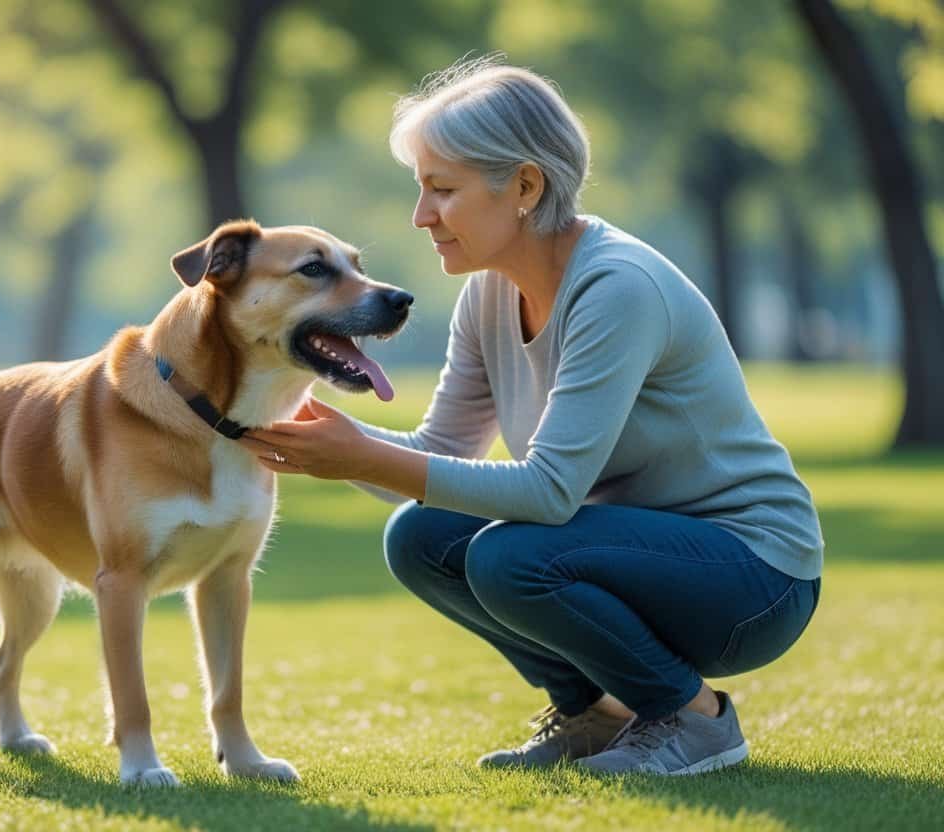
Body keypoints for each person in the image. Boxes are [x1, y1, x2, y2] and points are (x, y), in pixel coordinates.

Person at [238, 55, 823, 776]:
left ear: (524, 185)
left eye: (442, 190)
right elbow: (433, 455)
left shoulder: (617, 289)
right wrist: (302, 430)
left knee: (510, 556)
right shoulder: (488, 294)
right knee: (421, 536)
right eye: (421, 190)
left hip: (754, 580)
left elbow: (551, 492)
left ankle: (695, 720)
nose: (422, 216)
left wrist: (361, 454)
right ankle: (596, 716)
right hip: (631, 556)